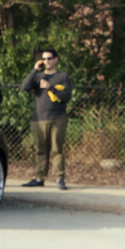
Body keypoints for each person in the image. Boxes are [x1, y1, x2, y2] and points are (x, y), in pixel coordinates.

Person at [22, 48, 73, 189]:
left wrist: (50, 87)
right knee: (40, 150)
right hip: (39, 119)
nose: (46, 61)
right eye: (44, 59)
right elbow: (24, 87)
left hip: (58, 118)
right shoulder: (38, 77)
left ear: (56, 59)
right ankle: (39, 178)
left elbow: (66, 96)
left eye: (49, 58)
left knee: (57, 150)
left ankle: (59, 178)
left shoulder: (62, 77)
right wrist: (34, 70)